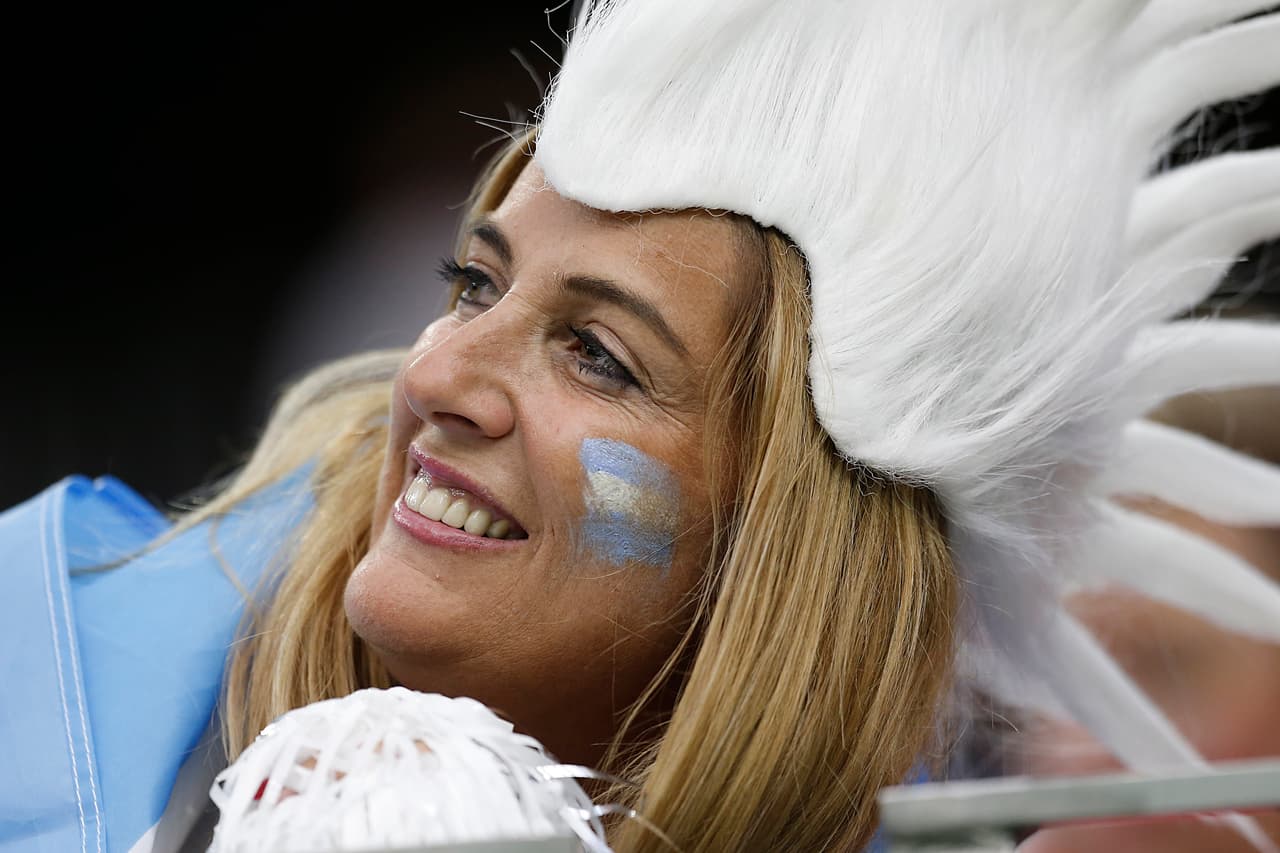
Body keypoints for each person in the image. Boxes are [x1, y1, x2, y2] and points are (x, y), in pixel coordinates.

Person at [3, 2, 1278, 852]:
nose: (440, 373)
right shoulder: (32, 684)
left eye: (598, 356)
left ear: (785, 548)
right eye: (474, 284)